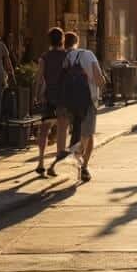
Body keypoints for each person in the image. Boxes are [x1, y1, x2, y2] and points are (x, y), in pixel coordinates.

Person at [59, 32, 106, 182]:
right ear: (77, 42)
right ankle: (83, 165)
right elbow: (99, 79)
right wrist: (102, 84)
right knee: (89, 134)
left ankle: (75, 153)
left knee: (76, 131)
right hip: (89, 100)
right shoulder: (88, 54)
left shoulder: (65, 58)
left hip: (70, 102)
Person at [34, 27, 70, 177]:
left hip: (49, 97)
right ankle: (54, 165)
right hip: (63, 99)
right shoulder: (67, 56)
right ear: (62, 40)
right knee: (62, 132)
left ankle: (41, 162)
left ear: (49, 40)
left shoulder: (44, 57)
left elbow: (39, 78)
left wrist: (37, 95)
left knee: (44, 130)